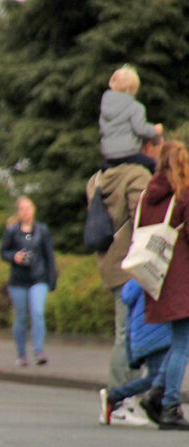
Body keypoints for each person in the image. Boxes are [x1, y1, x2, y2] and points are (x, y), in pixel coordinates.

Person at [85, 136, 163, 423]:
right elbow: (145, 218)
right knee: (129, 334)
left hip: (110, 261)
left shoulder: (99, 177)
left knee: (125, 332)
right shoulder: (136, 175)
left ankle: (126, 400)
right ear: (145, 147)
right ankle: (120, 401)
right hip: (134, 263)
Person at [133, 141, 189, 430]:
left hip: (157, 274)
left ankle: (156, 392)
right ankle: (169, 404)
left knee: (179, 340)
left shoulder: (147, 195)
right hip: (182, 276)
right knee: (183, 344)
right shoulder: (183, 193)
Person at [99, 279, 167, 426]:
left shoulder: (137, 281)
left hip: (147, 333)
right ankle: (115, 397)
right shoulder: (154, 278)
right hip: (155, 333)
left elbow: (128, 296)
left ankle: (158, 407)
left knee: (161, 375)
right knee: (156, 376)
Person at [0, 196, 57, 367]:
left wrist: (51, 278)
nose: (26, 212)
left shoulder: (42, 230)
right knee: (21, 317)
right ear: (18, 212)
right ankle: (22, 354)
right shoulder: (11, 230)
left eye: (28, 208)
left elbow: (49, 256)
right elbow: (3, 252)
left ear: (33, 209)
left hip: (38, 278)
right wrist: (14, 256)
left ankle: (39, 350)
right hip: (18, 280)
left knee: (37, 312)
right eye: (22, 209)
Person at [100, 65, 163, 174]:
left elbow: (102, 130)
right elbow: (140, 129)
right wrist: (154, 130)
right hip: (128, 154)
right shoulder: (135, 107)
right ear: (133, 89)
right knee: (153, 165)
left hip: (109, 155)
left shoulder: (105, 106)